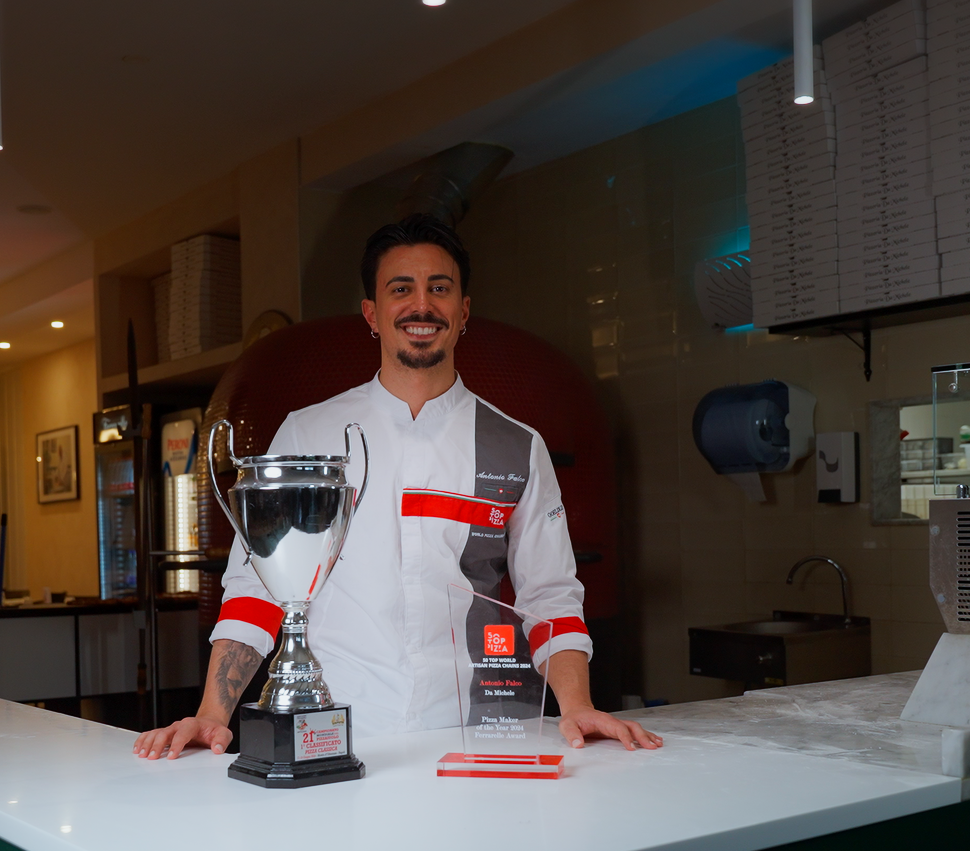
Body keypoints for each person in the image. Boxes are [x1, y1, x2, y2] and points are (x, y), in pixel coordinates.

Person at [135, 214, 660, 759]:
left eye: (440, 288)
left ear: (463, 312)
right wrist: (210, 715)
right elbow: (260, 587)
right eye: (401, 288)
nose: (422, 305)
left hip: (472, 736)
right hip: (332, 735)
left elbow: (549, 594)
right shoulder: (306, 432)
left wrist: (576, 707)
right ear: (373, 314)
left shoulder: (516, 446)